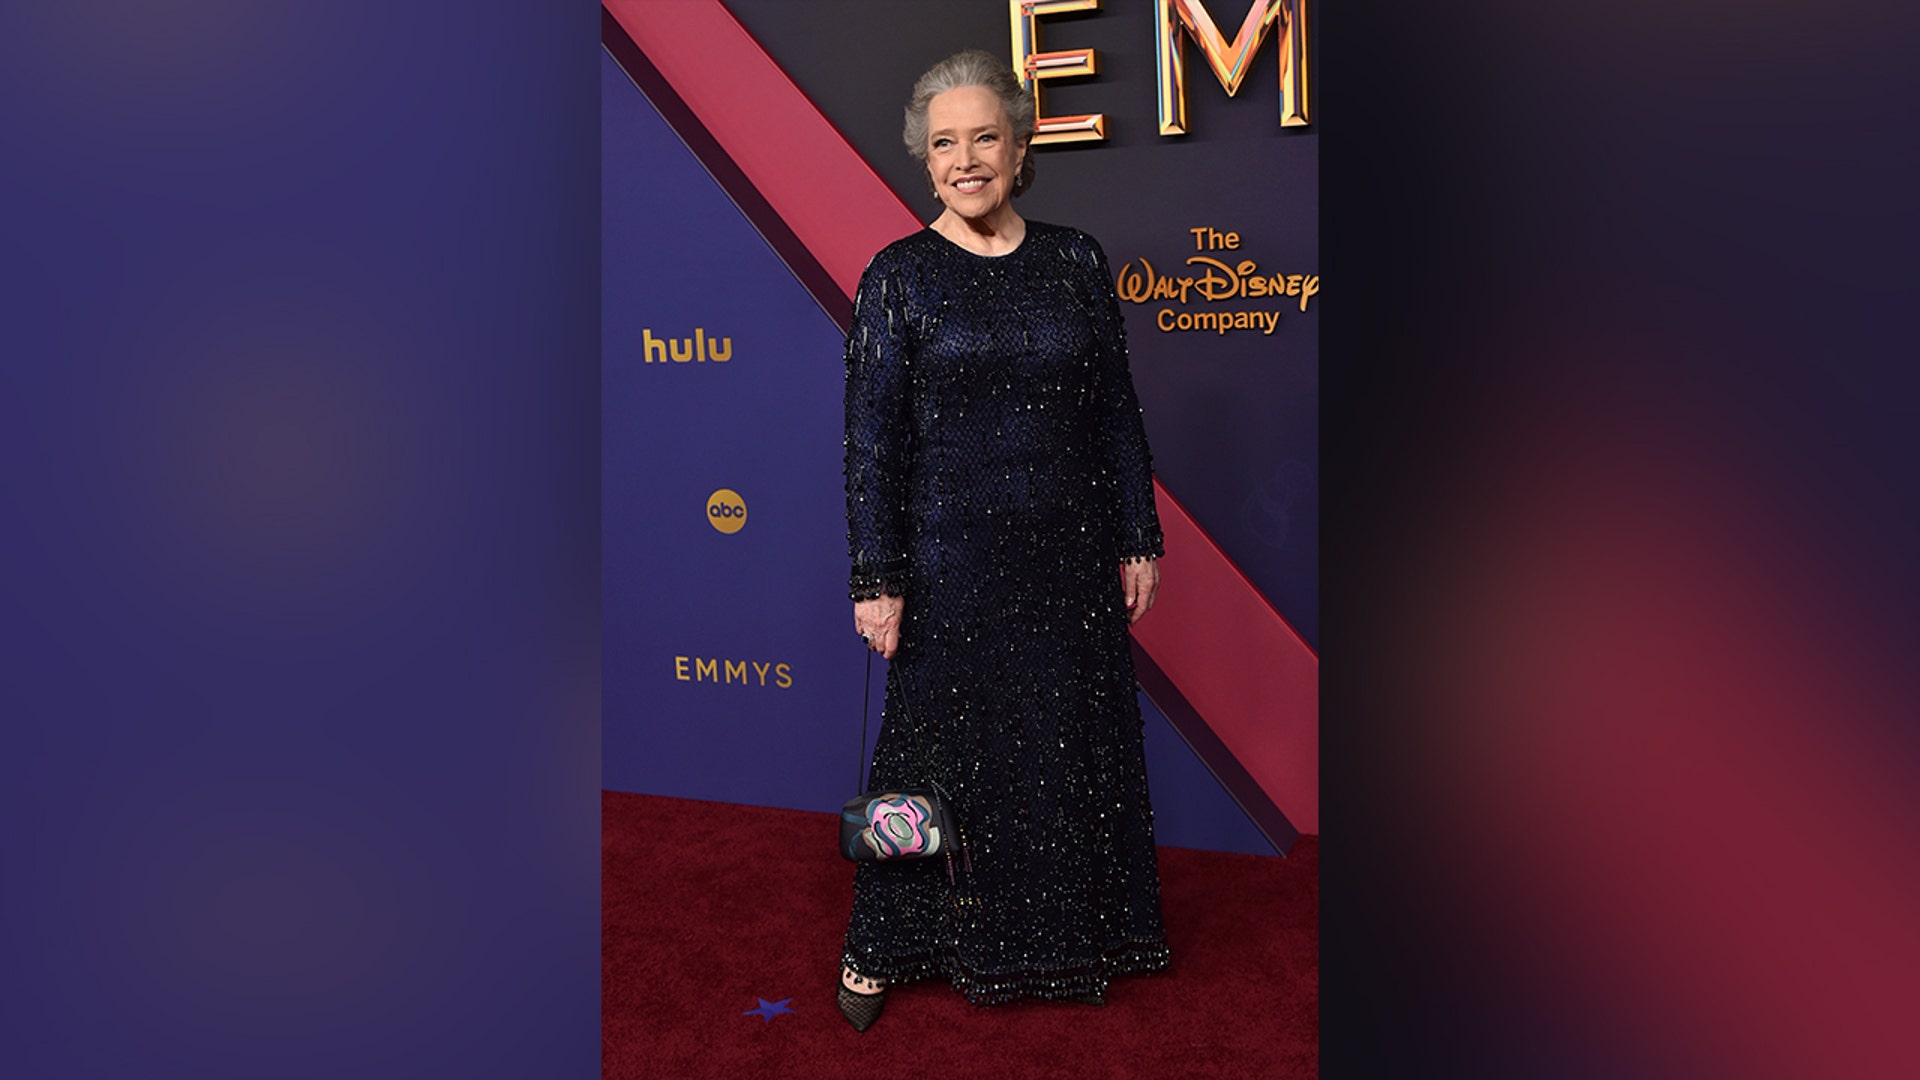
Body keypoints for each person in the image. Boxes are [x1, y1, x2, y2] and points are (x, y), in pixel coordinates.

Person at [837, 49, 1168, 1032]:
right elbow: (871, 446)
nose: (965, 159)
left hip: (1067, 559)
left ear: (1021, 149)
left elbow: (1112, 408)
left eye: (985, 137)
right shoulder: (897, 279)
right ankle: (880, 940)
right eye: (945, 144)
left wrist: (1136, 529)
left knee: (1063, 751)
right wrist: (877, 578)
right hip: (949, 568)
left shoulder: (1074, 260)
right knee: (923, 762)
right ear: (924, 162)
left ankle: (1070, 938)